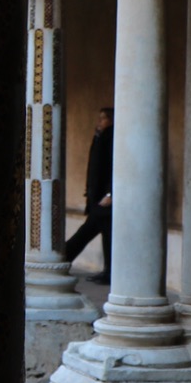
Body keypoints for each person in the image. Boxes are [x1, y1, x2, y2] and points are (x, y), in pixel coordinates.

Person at [62, 106, 113, 281]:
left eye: (103, 118)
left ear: (112, 120)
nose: (99, 122)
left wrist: (110, 193)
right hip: (97, 197)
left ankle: (62, 258)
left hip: (104, 199)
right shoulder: (101, 137)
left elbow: (116, 168)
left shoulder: (113, 138)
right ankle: (110, 272)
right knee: (107, 235)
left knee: (86, 232)